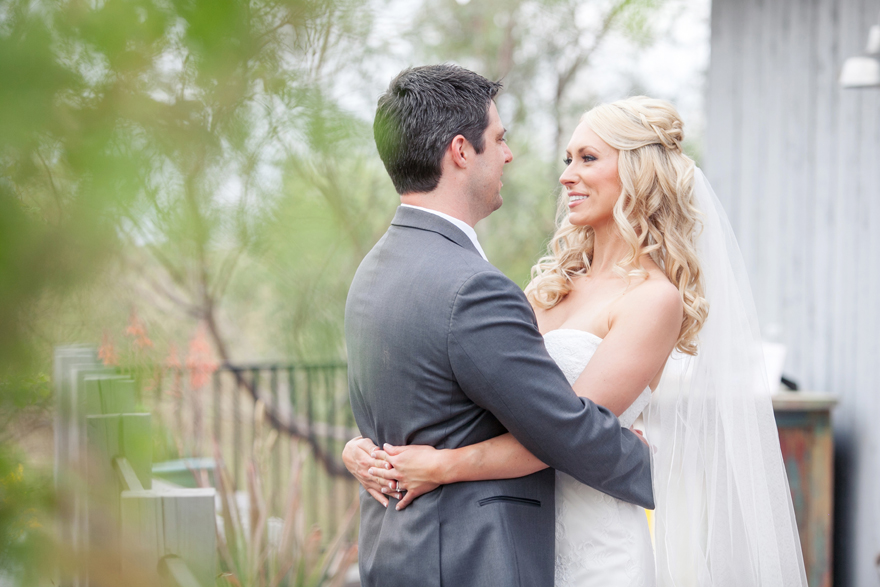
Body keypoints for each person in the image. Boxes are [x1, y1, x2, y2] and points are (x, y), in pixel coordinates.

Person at [346, 96, 809, 586]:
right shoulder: (547, 286)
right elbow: (485, 398)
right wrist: (361, 447)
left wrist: (442, 466)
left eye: (588, 158)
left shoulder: (652, 300)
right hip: (518, 531)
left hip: (593, 540)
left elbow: (566, 434)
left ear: (639, 173)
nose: (567, 175)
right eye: (568, 159)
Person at [344, 65, 653, 587]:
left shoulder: (373, 271)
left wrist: (360, 449)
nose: (508, 155)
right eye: (500, 139)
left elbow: (415, 397)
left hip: (398, 553)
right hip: (469, 559)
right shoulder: (473, 288)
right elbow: (561, 428)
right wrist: (650, 459)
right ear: (462, 151)